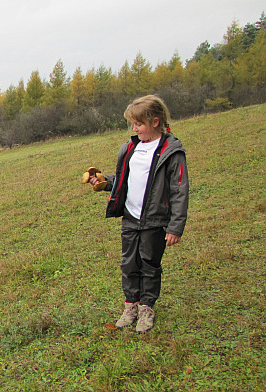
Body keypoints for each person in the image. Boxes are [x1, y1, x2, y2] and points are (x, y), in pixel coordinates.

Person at [87, 95, 189, 333]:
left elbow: (179, 190)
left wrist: (175, 227)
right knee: (129, 264)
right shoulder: (130, 148)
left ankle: (146, 309)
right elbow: (125, 181)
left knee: (149, 265)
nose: (135, 128)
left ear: (155, 121)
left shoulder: (171, 152)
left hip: (155, 220)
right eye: (133, 124)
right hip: (130, 218)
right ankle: (130, 306)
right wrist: (104, 183)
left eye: (139, 124)